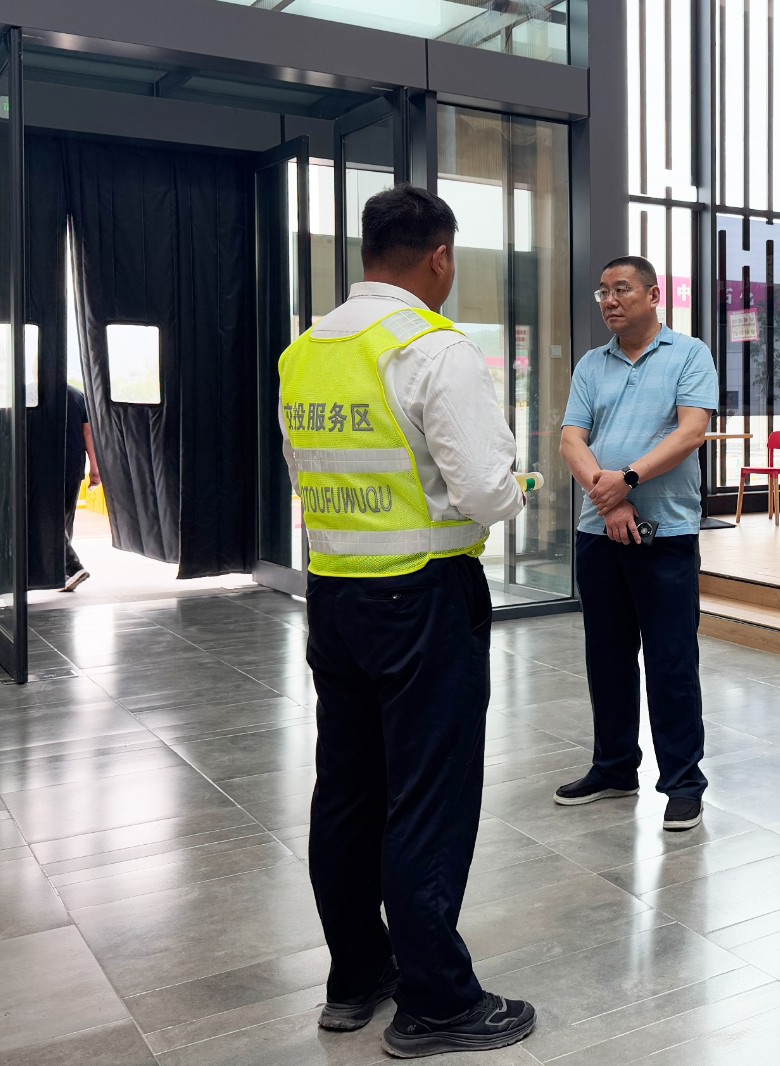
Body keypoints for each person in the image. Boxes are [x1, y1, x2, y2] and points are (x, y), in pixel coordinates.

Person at [278, 183, 536, 1057]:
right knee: (428, 797)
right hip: (423, 598)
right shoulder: (433, 348)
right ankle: (437, 1000)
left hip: (335, 594)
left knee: (348, 792)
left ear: (366, 253)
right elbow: (486, 492)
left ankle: (357, 975)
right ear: (439, 257)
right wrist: (518, 484)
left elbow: (304, 473)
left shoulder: (306, 351)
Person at [555, 255, 717, 832]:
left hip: (665, 534)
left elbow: (691, 431)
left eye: (621, 289)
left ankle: (684, 783)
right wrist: (611, 500)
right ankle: (615, 767)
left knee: (672, 662)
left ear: (653, 295)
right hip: (598, 532)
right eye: (602, 291)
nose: (609, 300)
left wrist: (628, 479)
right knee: (607, 658)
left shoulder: (689, 354)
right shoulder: (591, 364)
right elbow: (571, 439)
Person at [62, 384, 100, 592]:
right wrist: (94, 467)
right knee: (65, 518)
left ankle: (72, 567)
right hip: (74, 464)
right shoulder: (77, 395)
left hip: (42, 466)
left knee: (47, 519)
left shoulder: (31, 394)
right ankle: (64, 573)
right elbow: (88, 432)